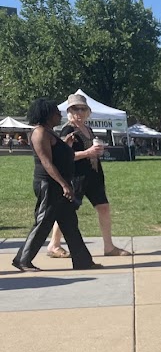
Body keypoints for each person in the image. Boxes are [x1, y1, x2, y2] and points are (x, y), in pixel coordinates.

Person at [12, 98, 101, 272]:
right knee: (43, 221)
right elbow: (46, 162)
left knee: (69, 222)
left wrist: (66, 145)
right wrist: (64, 185)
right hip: (49, 184)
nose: (59, 114)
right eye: (55, 112)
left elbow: (59, 155)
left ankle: (83, 261)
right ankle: (22, 259)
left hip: (59, 184)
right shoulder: (39, 133)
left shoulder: (50, 132)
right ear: (46, 114)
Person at [46, 94, 131, 258]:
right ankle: (54, 245)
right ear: (69, 111)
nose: (80, 112)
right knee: (67, 211)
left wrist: (97, 151)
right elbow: (64, 156)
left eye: (83, 108)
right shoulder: (68, 129)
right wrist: (88, 152)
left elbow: (91, 151)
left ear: (88, 111)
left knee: (104, 207)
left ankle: (109, 247)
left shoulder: (88, 129)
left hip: (93, 175)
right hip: (76, 176)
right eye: (75, 108)